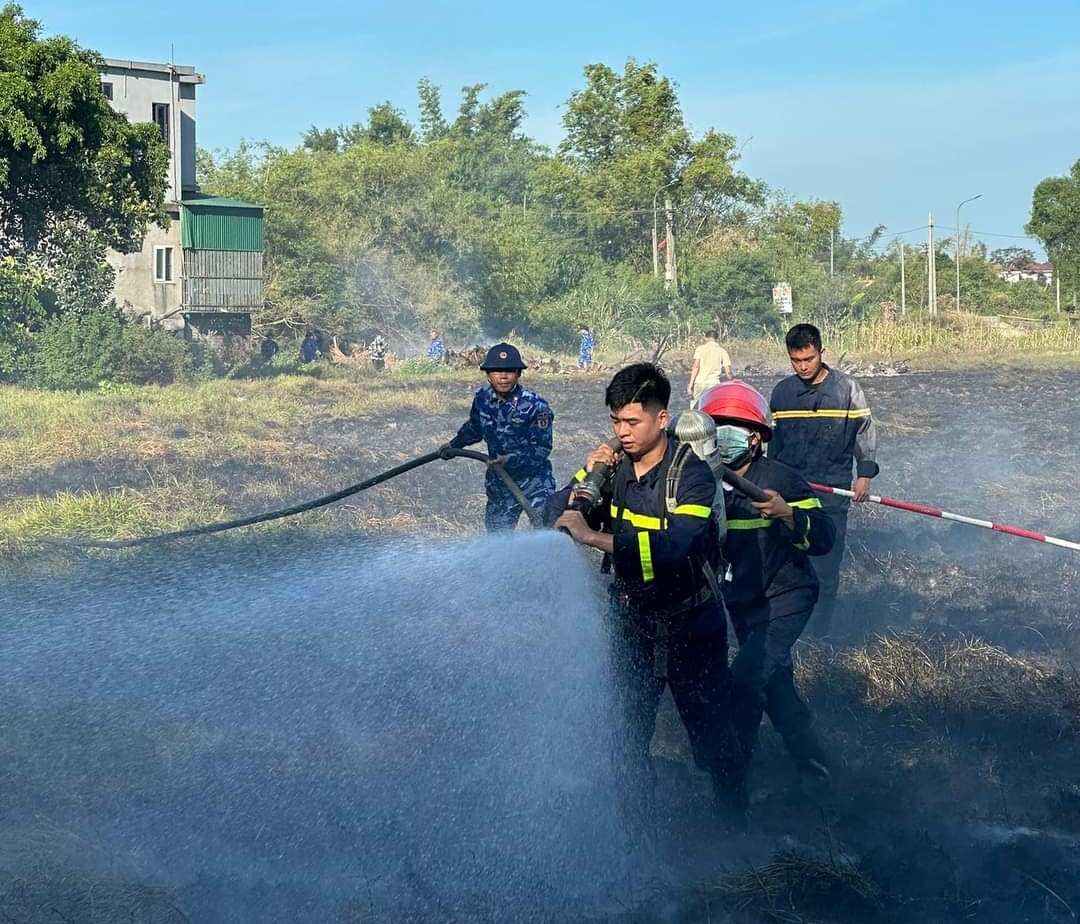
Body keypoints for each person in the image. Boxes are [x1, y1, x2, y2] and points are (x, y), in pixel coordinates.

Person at [549, 363, 739, 830]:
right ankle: (638, 827)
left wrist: (595, 540)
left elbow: (678, 546)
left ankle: (734, 824)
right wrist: (589, 477)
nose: (623, 432)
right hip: (632, 626)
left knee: (712, 737)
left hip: (692, 628)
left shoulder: (691, 476)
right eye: (615, 422)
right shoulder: (614, 469)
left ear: (661, 418)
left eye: (632, 422)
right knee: (625, 737)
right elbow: (555, 511)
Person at [699, 379, 835, 811]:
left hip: (785, 598)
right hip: (741, 600)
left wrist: (789, 516)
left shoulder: (780, 481)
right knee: (774, 686)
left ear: (757, 438)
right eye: (716, 424)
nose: (724, 433)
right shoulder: (699, 483)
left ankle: (733, 786)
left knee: (745, 680)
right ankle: (816, 765)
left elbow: (825, 539)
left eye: (735, 426)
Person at [768, 323, 880, 639]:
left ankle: (818, 634)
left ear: (822, 353)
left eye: (808, 359)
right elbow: (773, 445)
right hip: (789, 494)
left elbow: (865, 432)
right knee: (785, 565)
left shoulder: (847, 390)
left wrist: (865, 475)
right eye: (795, 360)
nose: (802, 367)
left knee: (826, 568)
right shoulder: (782, 393)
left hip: (832, 494)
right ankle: (787, 631)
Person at [444, 343, 556, 532]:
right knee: (497, 539)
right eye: (496, 371)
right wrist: (453, 445)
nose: (503, 376)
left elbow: (541, 449)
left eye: (509, 371)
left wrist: (511, 460)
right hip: (500, 485)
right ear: (488, 374)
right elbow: (474, 428)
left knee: (544, 531)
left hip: (535, 483)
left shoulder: (536, 405)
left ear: (519, 374)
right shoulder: (482, 398)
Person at [687, 330, 733, 402]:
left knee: (695, 408)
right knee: (712, 406)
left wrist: (691, 384)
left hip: (700, 383)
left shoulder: (700, 349)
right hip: (714, 384)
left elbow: (696, 366)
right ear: (716, 339)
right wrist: (733, 382)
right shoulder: (723, 351)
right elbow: (728, 373)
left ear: (706, 338)